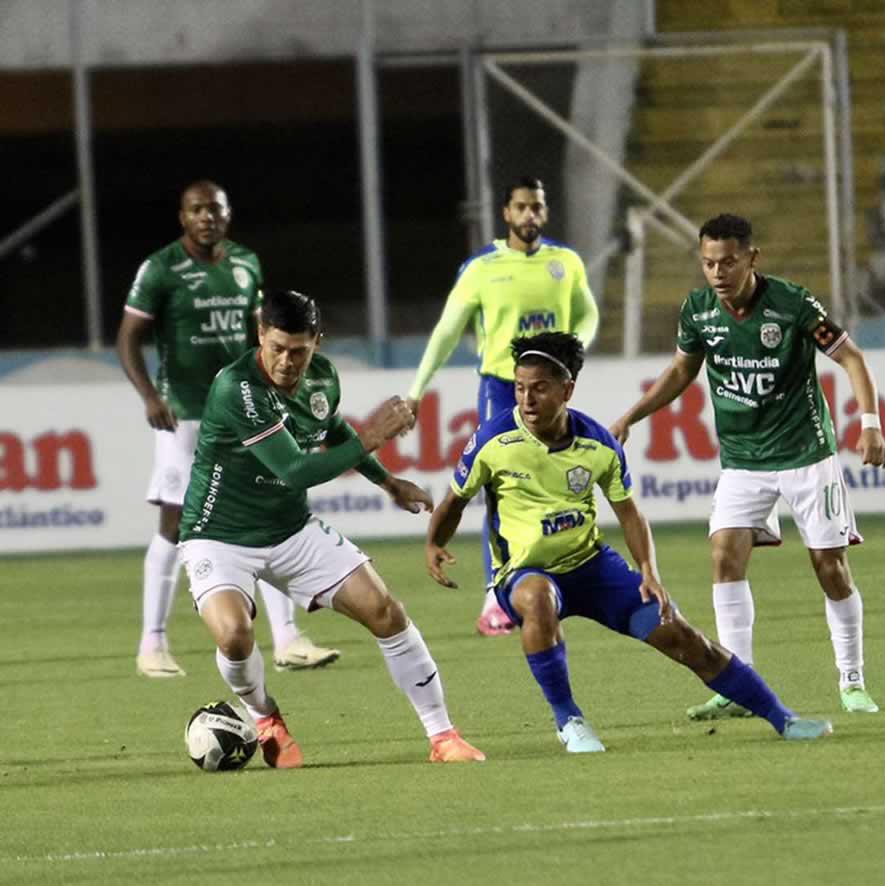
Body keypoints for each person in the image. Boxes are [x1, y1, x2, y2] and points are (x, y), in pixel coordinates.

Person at [424, 332, 832, 752]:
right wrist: (435, 542)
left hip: (592, 567)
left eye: (540, 388)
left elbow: (630, 514)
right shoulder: (494, 440)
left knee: (684, 638)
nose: (527, 400)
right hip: (525, 573)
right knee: (539, 598)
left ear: (567, 389)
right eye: (520, 388)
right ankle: (570, 721)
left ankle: (782, 718)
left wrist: (649, 572)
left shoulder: (598, 444)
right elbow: (456, 500)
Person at [178, 289, 485, 767]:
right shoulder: (236, 390)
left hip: (289, 528)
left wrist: (387, 482)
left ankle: (443, 737)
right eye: (276, 348)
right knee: (235, 636)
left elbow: (331, 429)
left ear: (317, 342)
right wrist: (373, 435)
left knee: (386, 611)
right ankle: (265, 716)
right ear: (260, 335)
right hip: (219, 534)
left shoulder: (322, 377)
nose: (286, 361)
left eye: (298, 351)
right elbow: (296, 471)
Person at [610, 213, 885, 721]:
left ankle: (852, 679)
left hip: (807, 455)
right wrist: (632, 415)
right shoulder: (698, 311)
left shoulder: (792, 304)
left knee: (829, 568)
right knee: (723, 557)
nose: (717, 272)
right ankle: (740, 685)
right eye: (709, 262)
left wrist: (870, 422)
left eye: (729, 262)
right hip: (742, 461)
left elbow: (852, 358)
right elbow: (680, 371)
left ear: (752, 258)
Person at [117, 180, 340, 678]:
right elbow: (128, 338)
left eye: (214, 209)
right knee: (174, 525)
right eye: (196, 210)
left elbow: (256, 336)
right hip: (187, 413)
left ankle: (287, 639)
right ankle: (151, 643)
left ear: (227, 215)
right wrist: (151, 397)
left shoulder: (246, 264)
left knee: (270, 509)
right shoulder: (160, 269)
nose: (206, 218)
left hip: (246, 406)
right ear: (182, 217)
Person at [404, 176, 600, 636]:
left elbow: (587, 310)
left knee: (559, 483)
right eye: (521, 207)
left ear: (544, 213)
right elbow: (448, 330)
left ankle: (554, 580)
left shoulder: (564, 262)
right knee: (501, 488)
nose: (529, 215)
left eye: (537, 207)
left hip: (556, 387)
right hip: (502, 389)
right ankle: (495, 594)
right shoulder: (482, 268)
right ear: (506, 214)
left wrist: (577, 346)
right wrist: (416, 390)